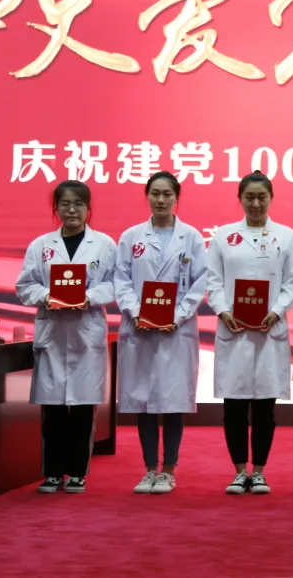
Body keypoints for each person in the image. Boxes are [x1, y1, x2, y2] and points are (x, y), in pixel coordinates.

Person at [15, 180, 117, 494]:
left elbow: (115, 284)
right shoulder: (40, 246)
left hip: (86, 331)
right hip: (54, 333)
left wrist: (90, 297)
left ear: (88, 208)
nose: (71, 210)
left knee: (84, 407)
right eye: (65, 204)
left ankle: (77, 473)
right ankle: (52, 473)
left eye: (78, 204)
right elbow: (24, 286)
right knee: (53, 408)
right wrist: (46, 296)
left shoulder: (104, 245)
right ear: (56, 208)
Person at [206, 172, 293, 495]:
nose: (256, 203)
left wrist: (277, 311)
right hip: (234, 330)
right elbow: (213, 281)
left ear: (271, 198)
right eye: (249, 197)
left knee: (264, 407)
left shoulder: (286, 236)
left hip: (268, 331)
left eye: (262, 197)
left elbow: (292, 282)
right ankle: (238, 471)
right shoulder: (224, 236)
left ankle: (258, 472)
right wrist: (223, 311)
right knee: (233, 406)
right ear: (240, 199)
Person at [115, 171, 208, 494]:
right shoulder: (131, 237)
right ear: (147, 196)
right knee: (142, 400)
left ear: (176, 198)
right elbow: (121, 280)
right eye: (155, 193)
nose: (161, 200)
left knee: (172, 400)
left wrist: (178, 316)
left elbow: (200, 283)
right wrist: (136, 312)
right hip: (140, 329)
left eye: (167, 194)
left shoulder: (192, 237)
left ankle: (168, 470)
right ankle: (148, 469)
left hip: (176, 332)